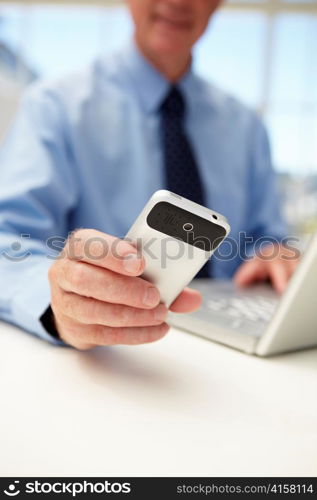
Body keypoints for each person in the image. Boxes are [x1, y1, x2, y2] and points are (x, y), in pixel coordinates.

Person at [0, 0, 298, 350]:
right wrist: (56, 299)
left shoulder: (247, 127)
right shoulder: (53, 106)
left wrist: (275, 253)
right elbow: (8, 243)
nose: (178, 2)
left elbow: (269, 239)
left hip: (235, 348)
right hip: (108, 357)